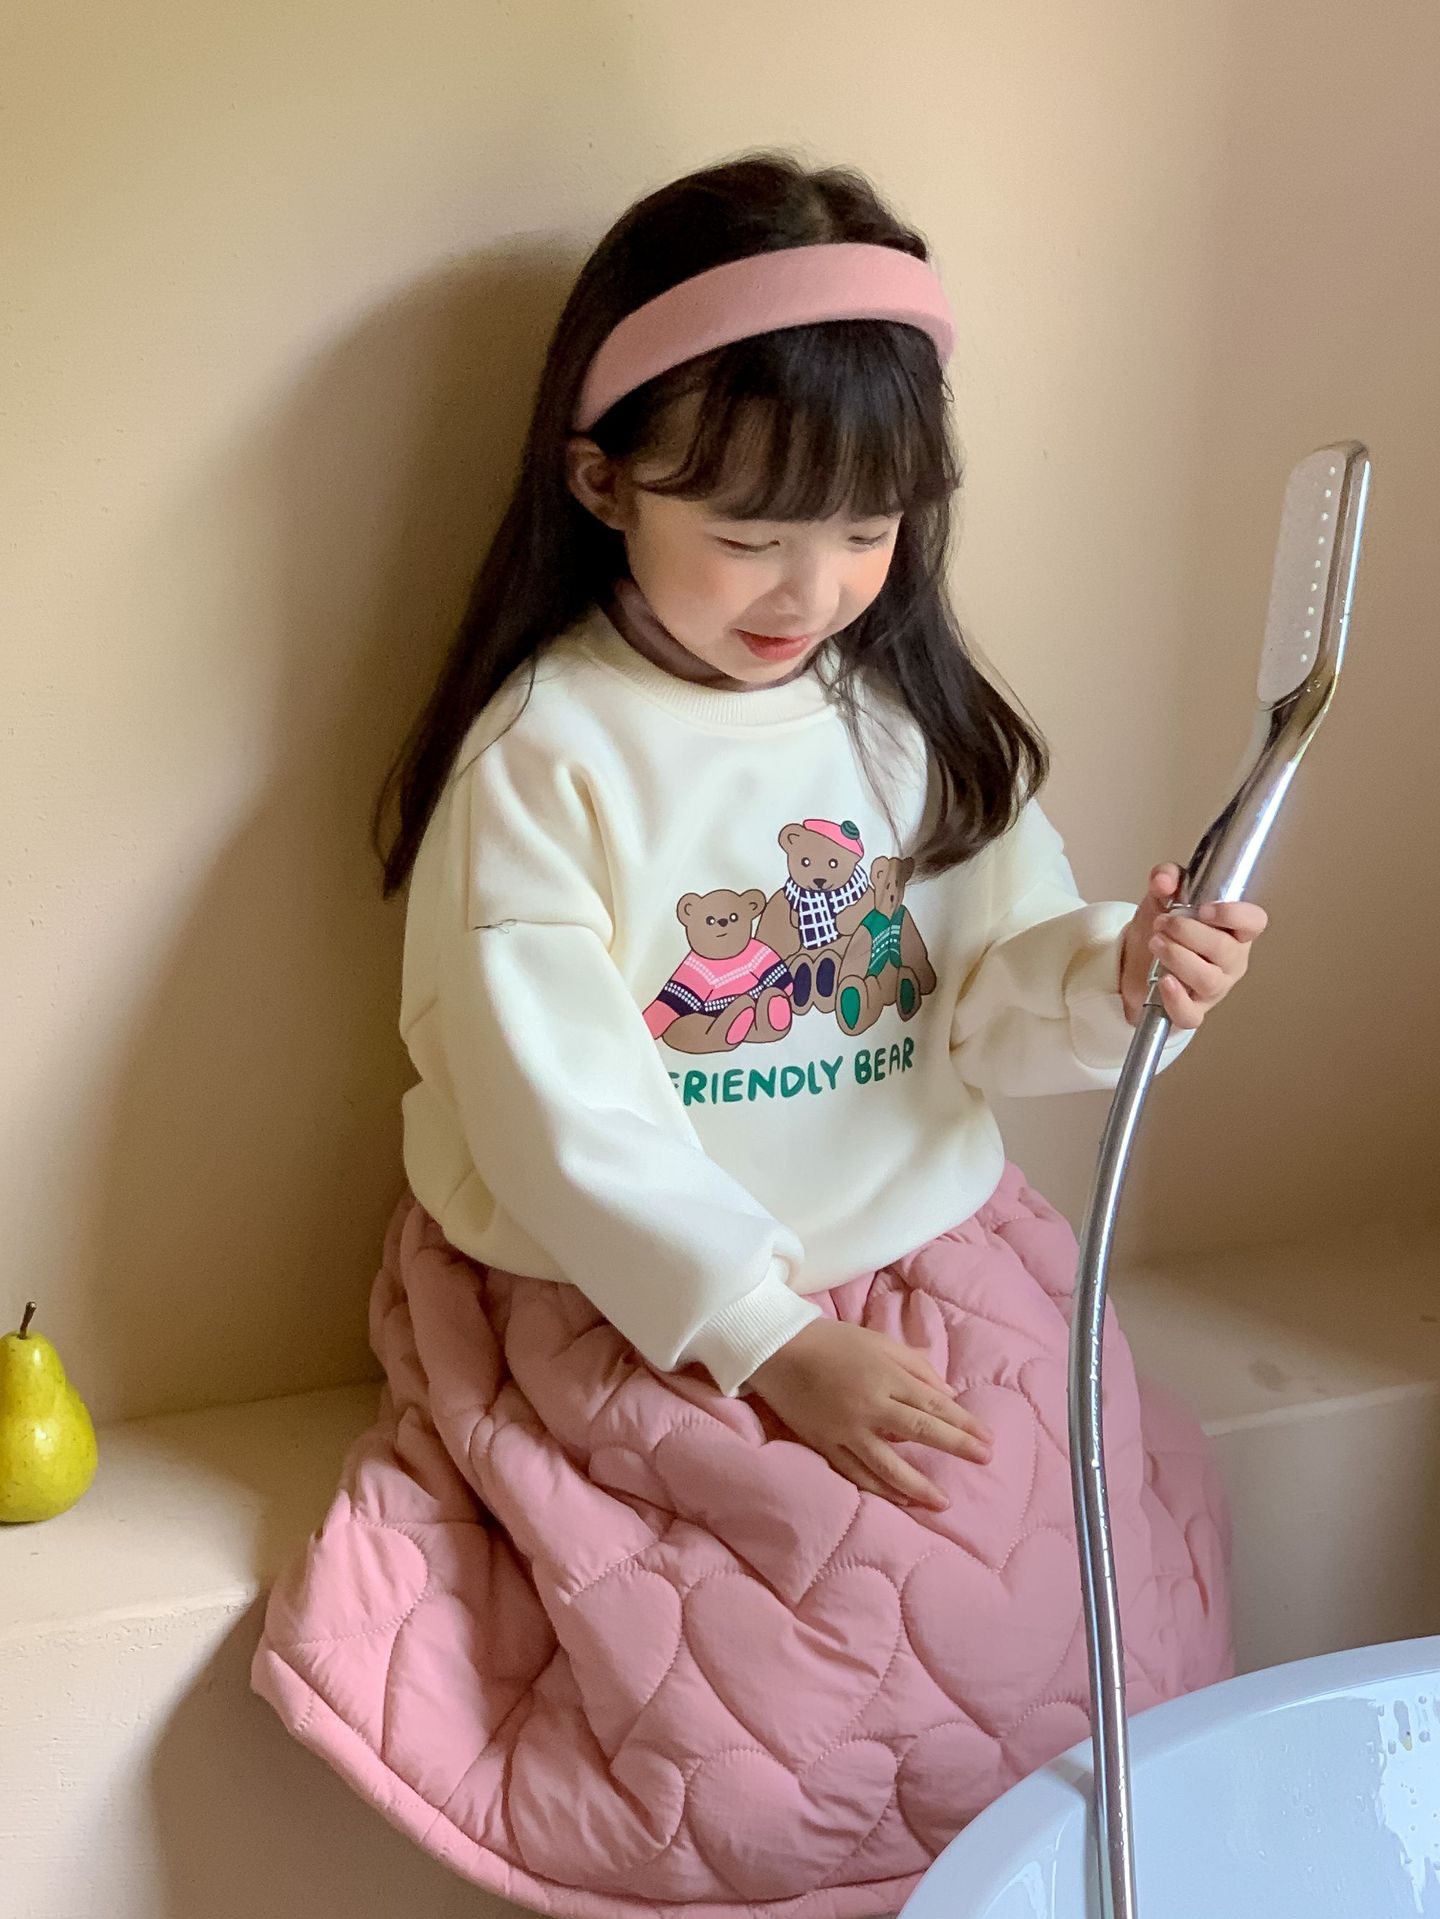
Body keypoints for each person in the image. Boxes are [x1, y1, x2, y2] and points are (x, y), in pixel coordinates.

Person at [253, 152, 1264, 1918]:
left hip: (929, 1255)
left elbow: (990, 985)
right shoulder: (551, 756)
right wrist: (768, 1341)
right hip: (651, 1295)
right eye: (749, 536)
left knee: (1086, 1574)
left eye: (868, 532)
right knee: (786, 1700)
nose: (813, 588)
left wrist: (1119, 974)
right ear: (602, 480)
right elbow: (558, 1113)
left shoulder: (905, 722)